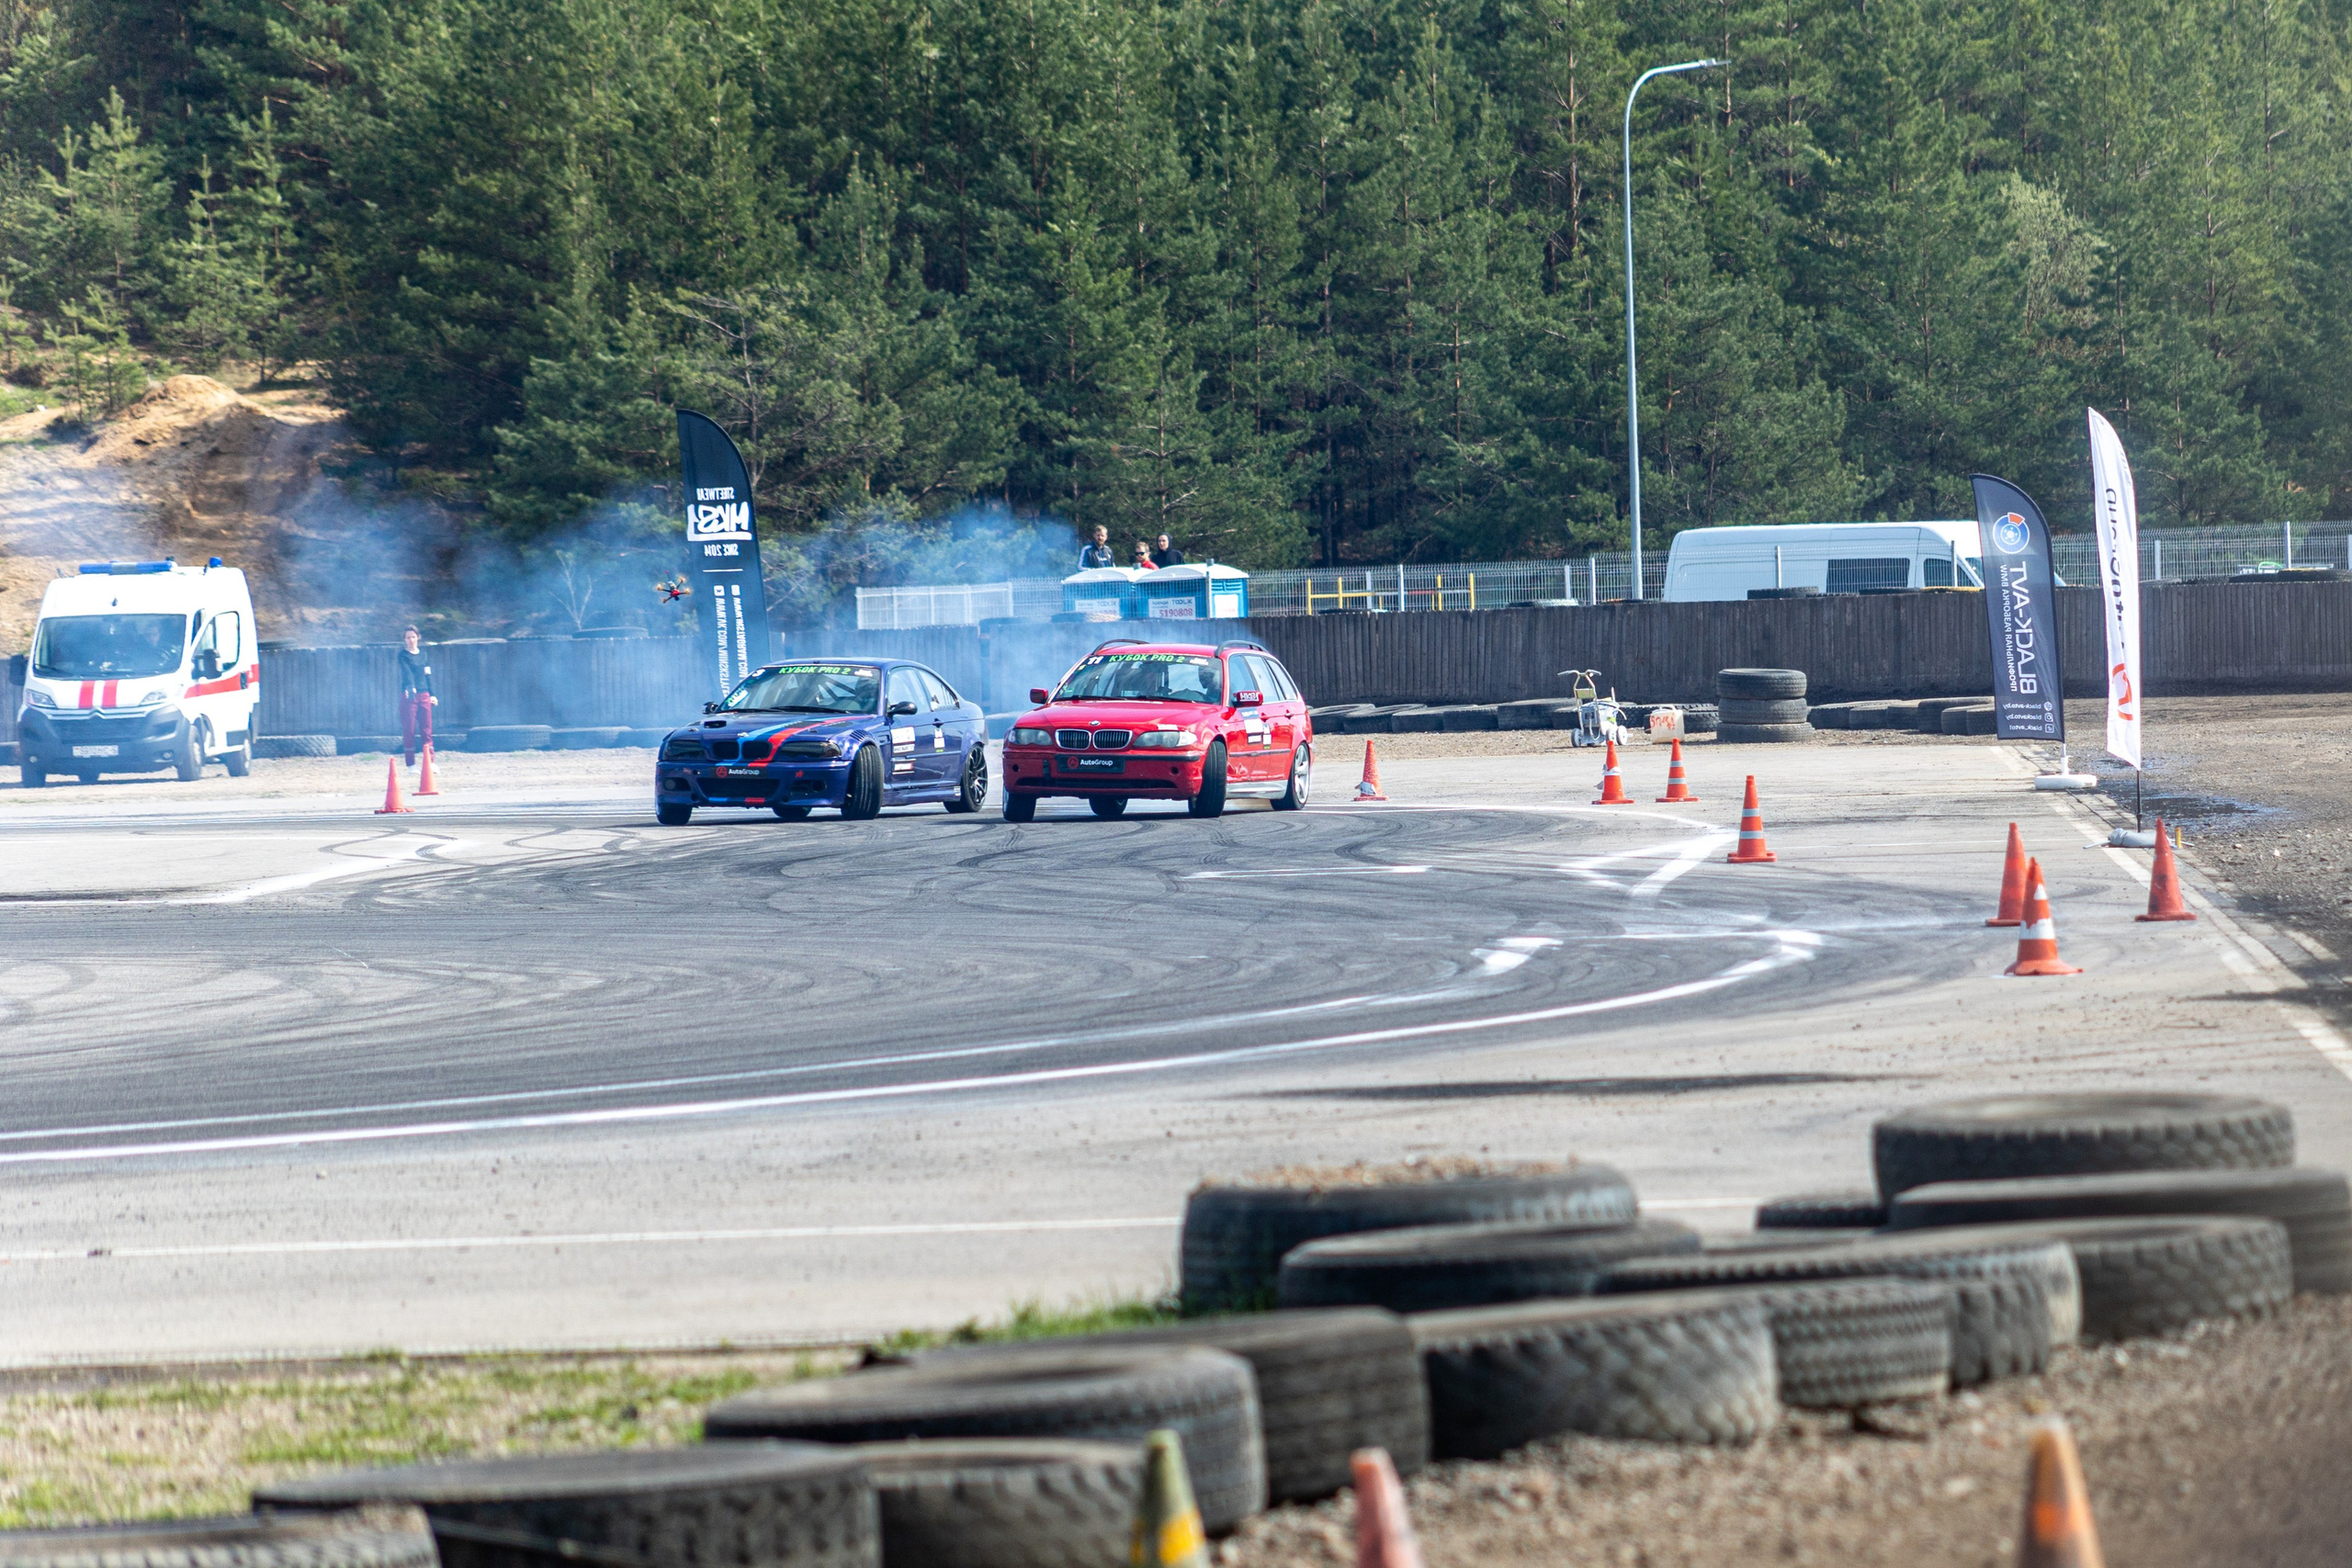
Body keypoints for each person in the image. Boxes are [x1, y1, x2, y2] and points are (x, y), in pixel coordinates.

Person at [397, 626, 436, 766]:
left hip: (424, 694)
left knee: (426, 729)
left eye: (413, 637)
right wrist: (410, 687)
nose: (411, 640)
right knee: (410, 729)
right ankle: (411, 764)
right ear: (404, 639)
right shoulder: (403, 655)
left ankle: (430, 762)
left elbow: (427, 674)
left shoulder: (424, 655)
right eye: (408, 638)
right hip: (410, 696)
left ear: (418, 637)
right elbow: (407, 672)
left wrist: (432, 694)